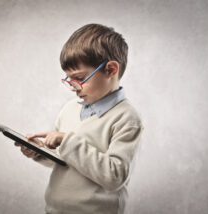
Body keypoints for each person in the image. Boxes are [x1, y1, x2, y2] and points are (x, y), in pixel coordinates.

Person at [14, 23, 144, 214]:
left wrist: (66, 141)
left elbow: (115, 176)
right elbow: (67, 160)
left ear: (110, 70)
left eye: (80, 78)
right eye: (69, 80)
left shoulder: (127, 119)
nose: (74, 87)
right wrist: (40, 151)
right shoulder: (69, 109)